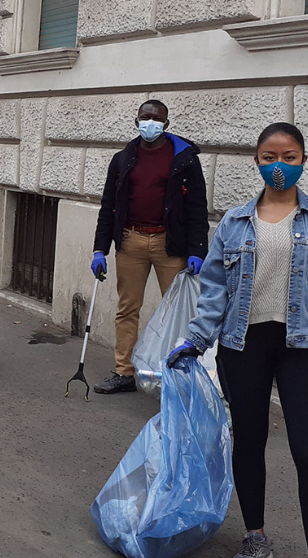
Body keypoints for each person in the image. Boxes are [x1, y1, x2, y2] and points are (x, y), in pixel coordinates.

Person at [167, 123, 308, 558]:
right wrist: (195, 339)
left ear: (303, 159)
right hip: (242, 344)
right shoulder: (232, 223)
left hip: (304, 349)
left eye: (289, 154)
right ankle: (256, 538)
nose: (279, 163)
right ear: (256, 160)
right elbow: (214, 290)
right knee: (248, 441)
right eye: (270, 155)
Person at [90, 99, 209, 393]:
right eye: (145, 117)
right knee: (127, 308)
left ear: (166, 124)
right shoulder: (123, 158)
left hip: (171, 245)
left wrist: (197, 249)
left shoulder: (184, 159)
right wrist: (99, 249)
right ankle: (124, 371)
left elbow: (197, 206)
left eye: (156, 118)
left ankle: (178, 376)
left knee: (180, 313)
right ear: (136, 121)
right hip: (130, 241)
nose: (150, 122)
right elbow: (109, 206)